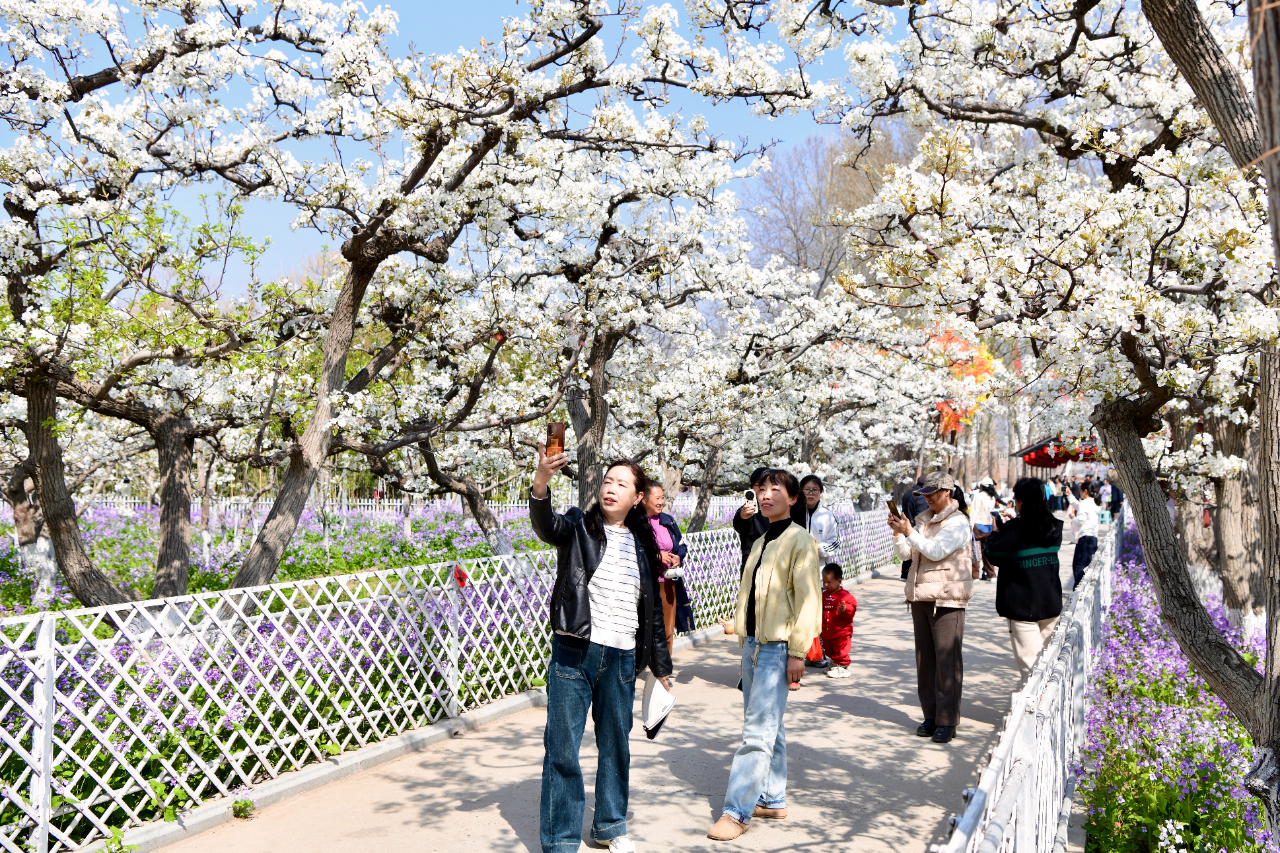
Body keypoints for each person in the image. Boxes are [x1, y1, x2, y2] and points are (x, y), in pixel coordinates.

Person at [530, 447, 673, 853]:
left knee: (616, 745)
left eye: (622, 484)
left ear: (638, 497)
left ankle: (609, 825)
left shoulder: (643, 544)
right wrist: (541, 481)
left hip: (622, 658)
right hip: (575, 652)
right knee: (562, 748)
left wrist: (661, 667)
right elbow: (546, 525)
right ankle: (561, 840)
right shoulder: (579, 526)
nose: (611, 488)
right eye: (608, 481)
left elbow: (651, 612)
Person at [708, 469, 822, 841]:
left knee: (757, 732)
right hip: (754, 645)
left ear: (794, 498)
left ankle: (736, 811)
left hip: (778, 648)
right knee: (770, 725)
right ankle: (772, 798)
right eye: (762, 488)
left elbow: (808, 600)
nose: (766, 494)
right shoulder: (762, 540)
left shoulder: (800, 540)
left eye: (776, 489)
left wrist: (798, 651)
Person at [888, 471, 974, 745]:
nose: (927, 499)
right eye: (924, 494)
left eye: (931, 493)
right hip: (921, 595)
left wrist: (910, 532)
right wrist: (899, 533)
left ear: (947, 492)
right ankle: (931, 716)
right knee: (925, 662)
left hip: (947, 598)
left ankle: (947, 720)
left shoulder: (958, 522)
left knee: (946, 661)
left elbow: (936, 551)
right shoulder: (923, 519)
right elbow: (906, 554)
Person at [985, 477, 1065, 682]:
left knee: (1032, 671)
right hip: (1050, 604)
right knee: (1052, 664)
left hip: (1022, 608)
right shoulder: (1054, 527)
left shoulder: (1015, 529)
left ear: (1020, 502)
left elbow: (993, 554)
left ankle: (1035, 703)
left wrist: (995, 533)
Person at [643, 484, 691, 655]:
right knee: (645, 629)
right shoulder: (636, 523)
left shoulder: (667, 520)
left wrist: (678, 556)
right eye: (657, 498)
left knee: (667, 629)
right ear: (643, 499)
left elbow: (681, 544)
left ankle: (664, 666)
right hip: (646, 583)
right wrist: (655, 555)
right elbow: (633, 549)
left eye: (662, 497)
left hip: (668, 582)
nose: (661, 502)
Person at [820, 563, 857, 679]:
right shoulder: (823, 595)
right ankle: (834, 663)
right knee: (829, 648)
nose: (825, 584)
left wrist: (845, 609)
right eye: (824, 581)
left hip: (841, 632)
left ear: (839, 581)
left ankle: (842, 666)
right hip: (827, 630)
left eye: (829, 582)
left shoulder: (845, 596)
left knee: (840, 650)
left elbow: (852, 608)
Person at [732, 467, 770, 567]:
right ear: (752, 488)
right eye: (758, 485)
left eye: (766, 485)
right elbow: (739, 525)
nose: (762, 489)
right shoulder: (747, 509)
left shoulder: (781, 509)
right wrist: (743, 516)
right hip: (753, 565)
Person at [800, 474, 841, 566]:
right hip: (797, 568)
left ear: (821, 492)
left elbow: (835, 542)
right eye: (807, 489)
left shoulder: (827, 516)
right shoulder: (793, 513)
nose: (810, 493)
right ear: (801, 491)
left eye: (815, 490)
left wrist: (819, 548)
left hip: (819, 568)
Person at [1066, 481, 1101, 587]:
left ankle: (1078, 589)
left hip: (1085, 539)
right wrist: (1070, 496)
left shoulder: (1085, 504)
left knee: (1078, 566)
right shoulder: (1094, 503)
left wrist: (1073, 517)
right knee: (1088, 565)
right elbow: (1079, 506)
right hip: (1093, 538)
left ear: (1085, 491)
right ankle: (1086, 588)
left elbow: (1080, 520)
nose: (1080, 493)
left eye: (1081, 491)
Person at [898, 476, 930, 579]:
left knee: (907, 549)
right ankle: (910, 574)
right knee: (914, 551)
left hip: (906, 523)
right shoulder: (920, 495)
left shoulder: (908, 492)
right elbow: (921, 515)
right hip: (915, 526)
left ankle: (904, 574)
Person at [969, 477, 999, 581]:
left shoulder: (978, 496)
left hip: (977, 527)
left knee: (976, 552)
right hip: (989, 527)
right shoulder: (992, 497)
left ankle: (975, 576)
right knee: (987, 552)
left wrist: (970, 526)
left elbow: (974, 512)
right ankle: (991, 574)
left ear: (981, 486)